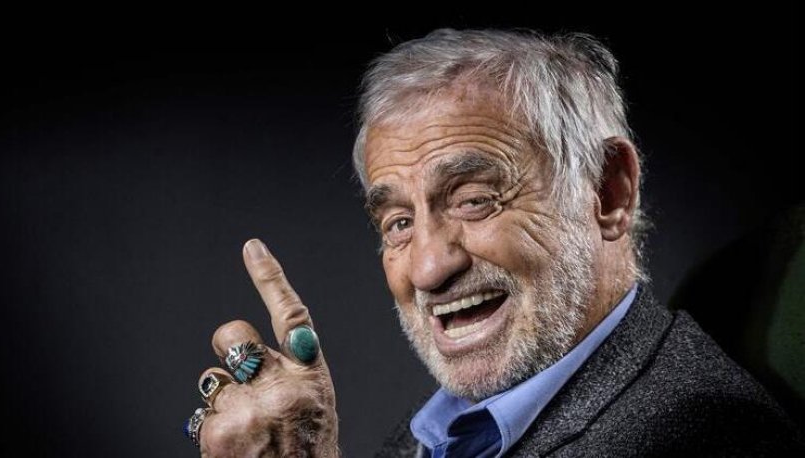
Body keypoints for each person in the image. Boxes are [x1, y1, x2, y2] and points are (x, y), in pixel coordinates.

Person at [183, 29, 804, 456]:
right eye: (398, 223)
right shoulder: (442, 431)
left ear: (608, 191)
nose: (428, 269)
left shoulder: (697, 433)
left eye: (474, 199)